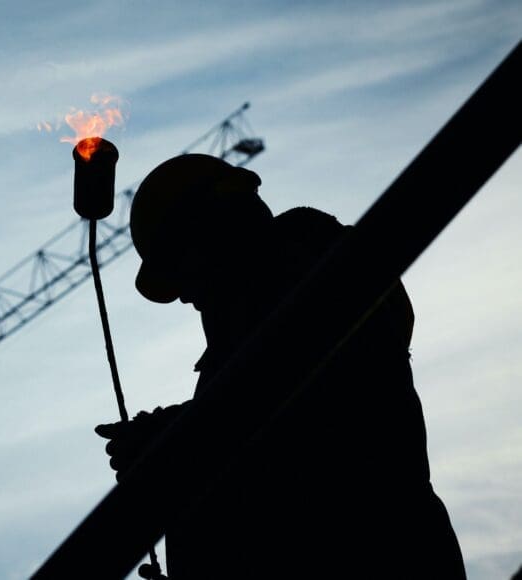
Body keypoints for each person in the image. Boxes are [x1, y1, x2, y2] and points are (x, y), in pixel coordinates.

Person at [95, 154, 465, 578]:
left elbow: (300, 427)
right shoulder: (250, 347)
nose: (182, 295)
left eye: (179, 266)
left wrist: (174, 442)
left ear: (214, 230)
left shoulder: (325, 288)